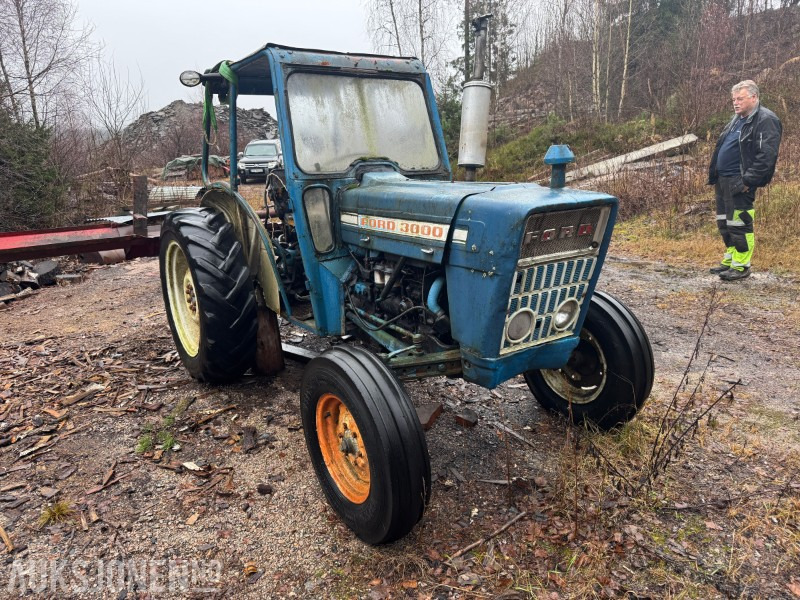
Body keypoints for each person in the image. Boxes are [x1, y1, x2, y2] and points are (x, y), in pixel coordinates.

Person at [707, 80, 782, 281]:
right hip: (724, 180)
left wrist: (749, 180)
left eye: (740, 98)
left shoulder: (765, 119)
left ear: (754, 97)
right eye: (733, 99)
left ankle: (741, 266)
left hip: (741, 180)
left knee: (740, 223)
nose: (735, 103)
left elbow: (766, 155)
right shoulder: (737, 119)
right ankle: (730, 260)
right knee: (725, 222)